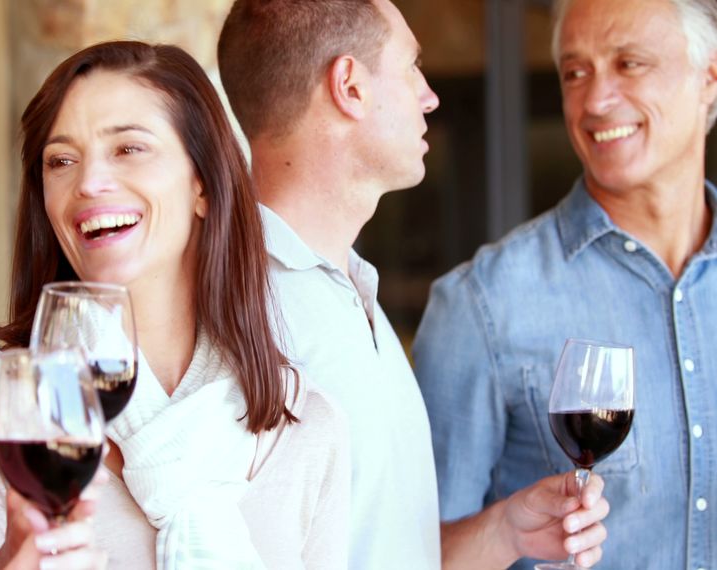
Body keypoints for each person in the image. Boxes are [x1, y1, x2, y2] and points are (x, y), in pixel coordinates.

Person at [0, 40, 350, 569]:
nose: (88, 183)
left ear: (203, 185)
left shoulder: (306, 425)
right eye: (61, 160)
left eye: (129, 149)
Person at [217, 0, 611, 568]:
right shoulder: (242, 316)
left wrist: (506, 531)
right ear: (350, 87)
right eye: (412, 66)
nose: (429, 97)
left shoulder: (353, 289)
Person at [412, 0, 717, 567]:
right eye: (575, 72)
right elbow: (413, 555)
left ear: (710, 77)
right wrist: (503, 530)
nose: (595, 100)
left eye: (629, 64)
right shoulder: (482, 304)